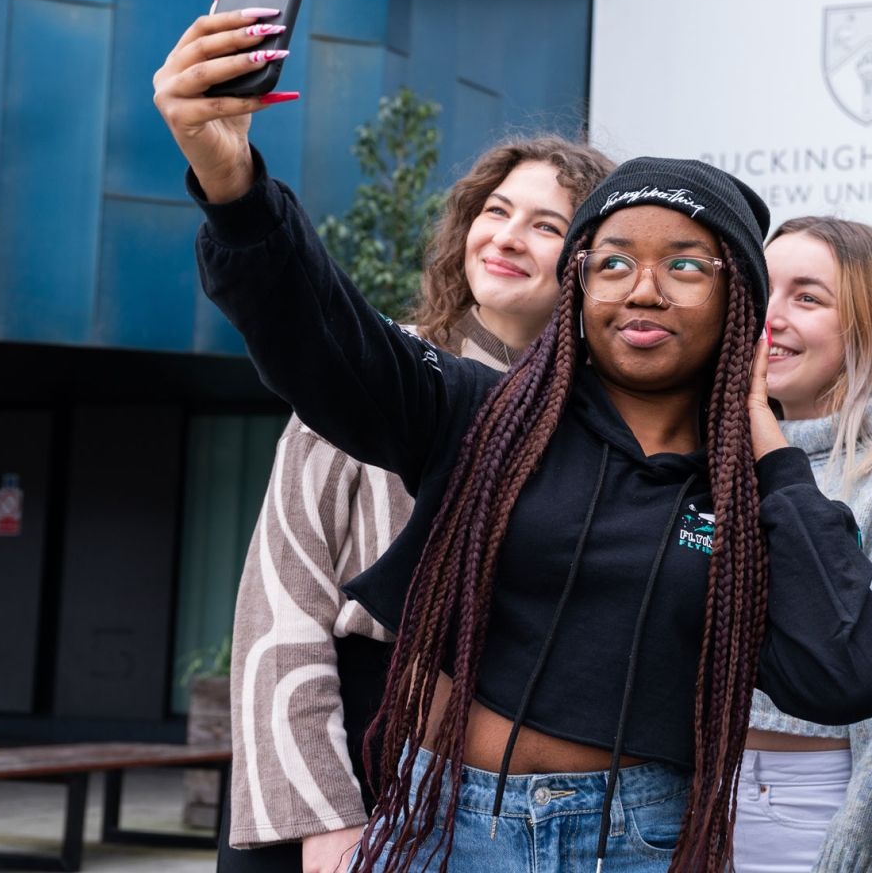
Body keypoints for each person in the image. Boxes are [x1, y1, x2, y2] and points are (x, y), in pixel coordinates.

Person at [153, 4, 872, 873]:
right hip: (439, 822)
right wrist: (233, 183)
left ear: (741, 304)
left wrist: (770, 454)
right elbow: (324, 337)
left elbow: (843, 673)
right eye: (611, 261)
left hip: (637, 841)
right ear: (577, 288)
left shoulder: (748, 490)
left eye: (685, 265)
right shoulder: (487, 413)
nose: (643, 288)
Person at [221, 136, 614, 873]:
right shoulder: (373, 373)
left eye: (546, 225)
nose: (507, 237)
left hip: (508, 782)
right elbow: (282, 605)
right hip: (350, 742)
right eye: (495, 211)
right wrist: (324, 814)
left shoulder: (604, 424)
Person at [732, 218, 872, 873]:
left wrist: (856, 848)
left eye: (808, 297)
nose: (772, 317)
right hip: (693, 798)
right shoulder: (712, 466)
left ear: (867, 327)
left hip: (813, 807)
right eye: (762, 291)